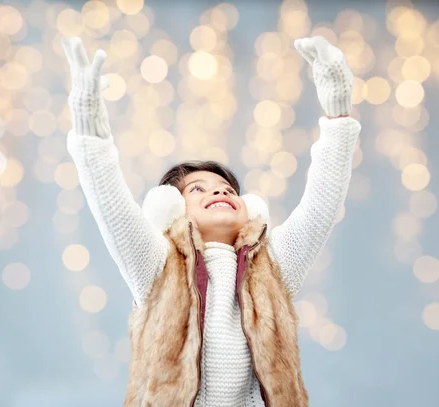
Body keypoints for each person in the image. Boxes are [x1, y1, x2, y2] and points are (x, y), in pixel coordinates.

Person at [62, 35, 360, 407]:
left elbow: (322, 204)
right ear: (172, 209)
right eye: (198, 190)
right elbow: (110, 204)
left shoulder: (273, 264)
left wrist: (338, 116)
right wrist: (89, 131)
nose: (218, 193)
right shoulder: (158, 264)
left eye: (226, 188)